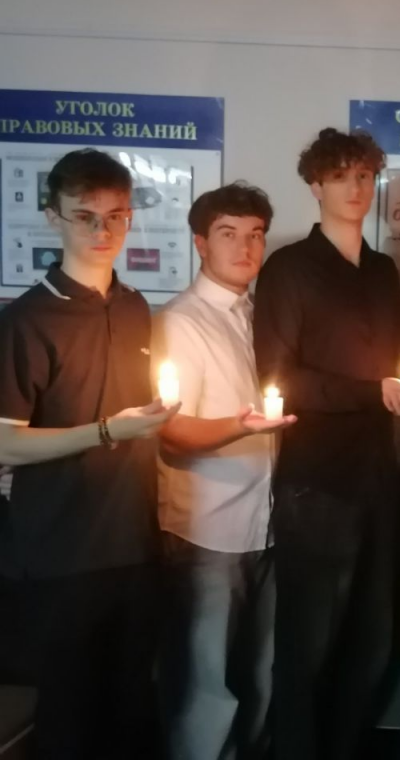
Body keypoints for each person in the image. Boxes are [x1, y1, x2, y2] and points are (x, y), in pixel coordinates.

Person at [253, 128, 400, 759]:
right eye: (340, 177)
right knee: (309, 645)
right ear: (316, 185)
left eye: (364, 176)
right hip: (316, 482)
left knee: (370, 640)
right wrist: (374, 390)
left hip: (377, 475)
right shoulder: (288, 269)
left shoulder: (382, 270)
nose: (356, 188)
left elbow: (397, 363)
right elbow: (280, 379)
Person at [0, 148, 178, 757]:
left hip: (134, 543)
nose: (103, 231)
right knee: (71, 724)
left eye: (116, 216)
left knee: (130, 715)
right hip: (60, 555)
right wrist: (106, 431)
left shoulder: (133, 307)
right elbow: (5, 442)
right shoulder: (27, 320)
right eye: (85, 216)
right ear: (53, 216)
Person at [154, 182, 295, 760]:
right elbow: (171, 429)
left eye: (255, 235)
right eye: (228, 234)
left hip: (264, 523)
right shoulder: (181, 322)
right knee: (206, 686)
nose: (245, 247)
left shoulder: (257, 315)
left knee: (259, 673)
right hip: (207, 531)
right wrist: (241, 427)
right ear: (200, 243)